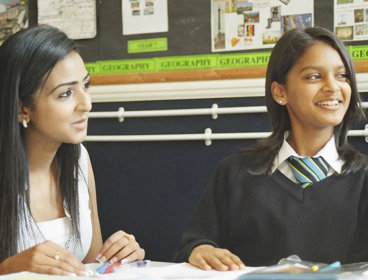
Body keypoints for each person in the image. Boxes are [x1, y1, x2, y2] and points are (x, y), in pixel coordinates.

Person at [173, 26, 368, 270]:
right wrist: (199, 250)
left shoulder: (363, 179)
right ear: (280, 92)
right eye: (314, 77)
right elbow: (192, 246)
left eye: (342, 76)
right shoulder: (234, 173)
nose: (333, 87)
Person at [0, 24, 145, 276]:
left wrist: (119, 257)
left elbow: (89, 268)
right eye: (66, 93)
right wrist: (7, 269)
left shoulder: (79, 161)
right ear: (22, 108)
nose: (86, 104)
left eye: (85, 85)